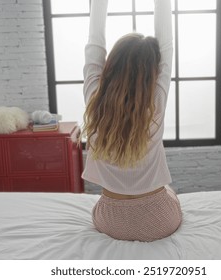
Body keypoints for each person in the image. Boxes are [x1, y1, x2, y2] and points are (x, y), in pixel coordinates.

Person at [82, 0, 181, 242]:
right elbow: (166, 45)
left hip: (111, 220)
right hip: (160, 219)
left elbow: (94, 44)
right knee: (171, 193)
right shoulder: (155, 103)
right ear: (153, 73)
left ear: (111, 65)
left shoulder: (95, 99)